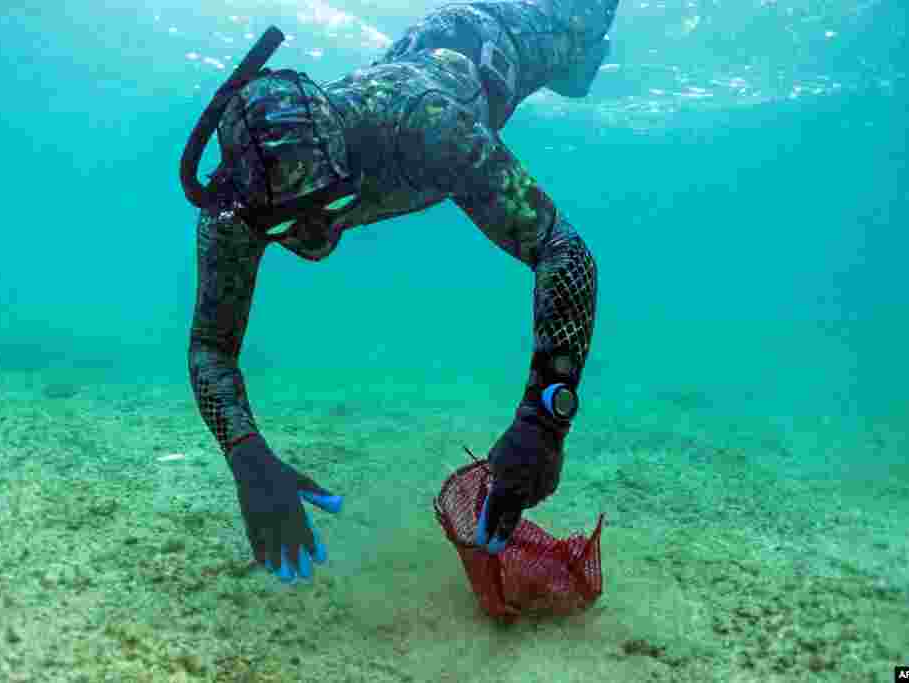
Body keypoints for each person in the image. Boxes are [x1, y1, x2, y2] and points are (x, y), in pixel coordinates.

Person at [182, 0, 618, 583]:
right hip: (423, 60)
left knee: (586, 28)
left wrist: (545, 417)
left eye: (331, 205)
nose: (317, 238)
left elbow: (564, 251)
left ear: (350, 153)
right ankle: (580, 67)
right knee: (577, 77)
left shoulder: (426, 128)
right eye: (286, 226)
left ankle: (582, 50)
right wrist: (245, 452)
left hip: (499, 38)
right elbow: (210, 346)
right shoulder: (233, 213)